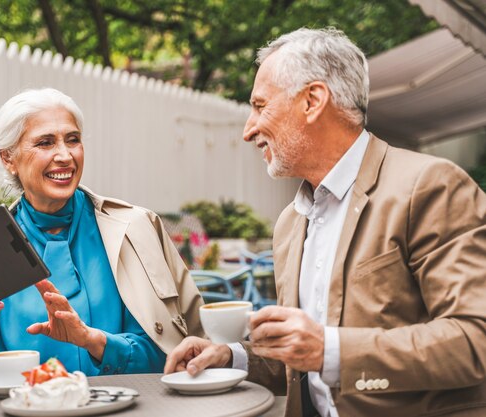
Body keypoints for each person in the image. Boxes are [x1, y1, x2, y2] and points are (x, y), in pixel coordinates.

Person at [165, 27, 486, 416]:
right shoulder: (290, 222)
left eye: (260, 105)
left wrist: (329, 349)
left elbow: (474, 340)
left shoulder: (429, 186)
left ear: (313, 101)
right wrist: (233, 357)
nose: (248, 129)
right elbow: (305, 361)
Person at [0, 88, 204, 395]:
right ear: (8, 159)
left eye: (73, 139)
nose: (65, 156)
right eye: (45, 142)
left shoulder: (136, 228)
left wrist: (92, 340)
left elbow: (185, 350)